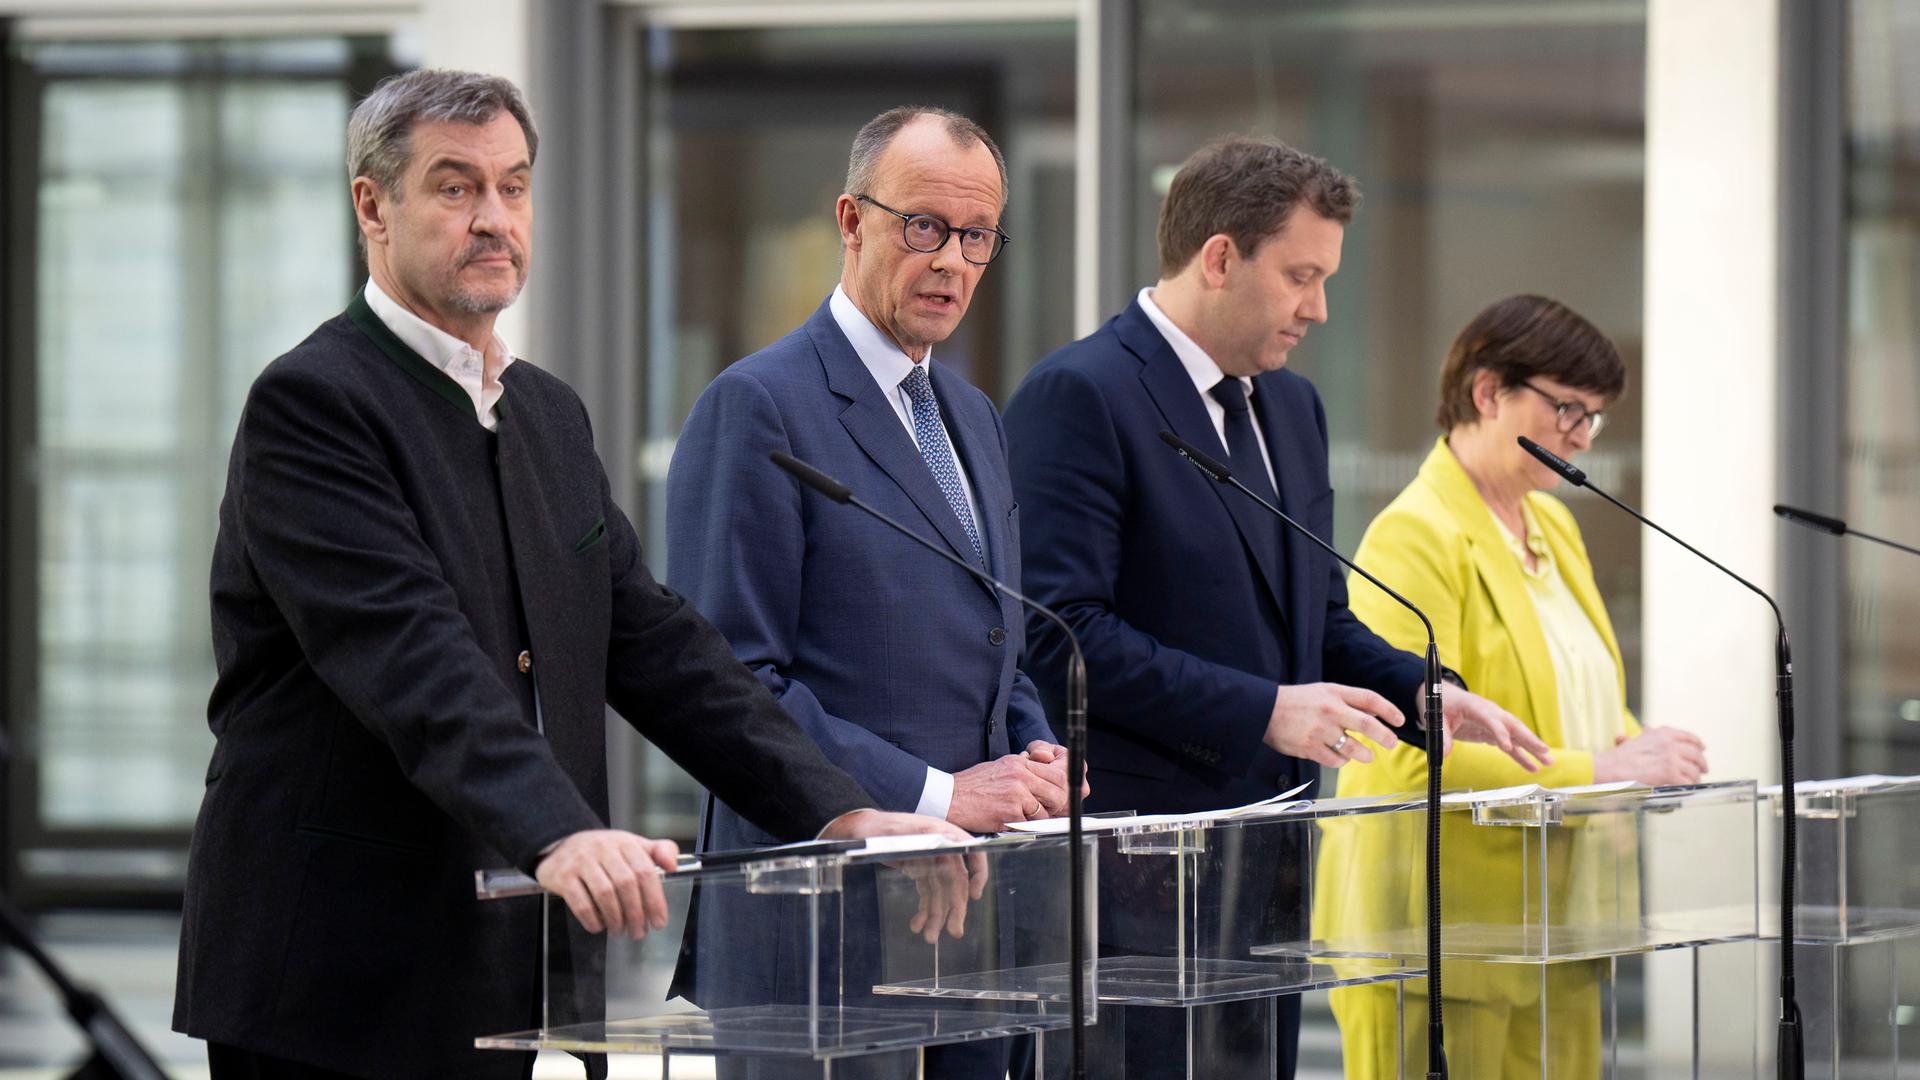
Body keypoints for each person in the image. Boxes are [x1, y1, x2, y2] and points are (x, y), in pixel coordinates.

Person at [172, 70, 958, 1080]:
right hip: (334, 979)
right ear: (373, 205)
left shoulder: (544, 413)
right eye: (455, 187)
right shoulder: (313, 405)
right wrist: (561, 834)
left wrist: (836, 808)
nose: (493, 218)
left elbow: (660, 646)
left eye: (513, 186)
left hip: (506, 964)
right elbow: (414, 660)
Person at [1002, 136, 1550, 1079]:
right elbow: (1062, 637)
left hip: (1269, 861)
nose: (1318, 308)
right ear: (1220, 258)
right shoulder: (1080, 395)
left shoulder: (1292, 408)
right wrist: (1264, 710)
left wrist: (1421, 695)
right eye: (1301, 277)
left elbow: (1316, 619)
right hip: (1134, 873)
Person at [663, 106, 1075, 1079]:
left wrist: (1034, 757)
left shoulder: (972, 414)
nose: (952, 262)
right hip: (818, 928)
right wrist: (936, 795)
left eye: (977, 237)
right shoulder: (758, 406)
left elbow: (996, 638)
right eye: (924, 227)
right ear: (851, 221)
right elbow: (731, 684)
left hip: (977, 920)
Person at [1316, 294, 1710, 1078]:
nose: (1582, 437)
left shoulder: (1553, 526)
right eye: (1566, 409)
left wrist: (1643, 750)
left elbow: (1581, 694)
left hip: (1565, 927)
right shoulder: (1415, 535)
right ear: (1488, 391)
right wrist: (1602, 770)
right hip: (1440, 940)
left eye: (1593, 417)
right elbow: (1407, 749)